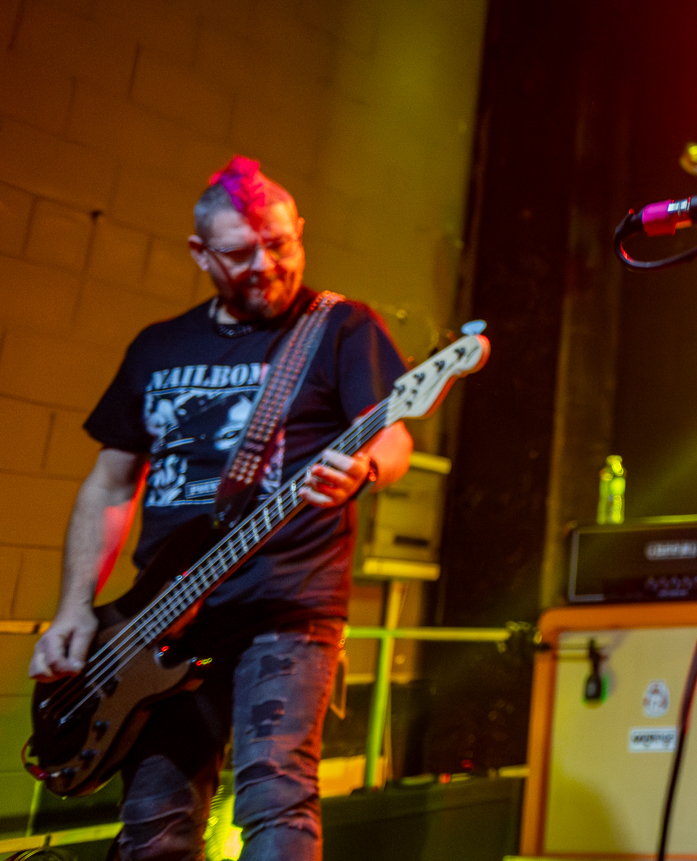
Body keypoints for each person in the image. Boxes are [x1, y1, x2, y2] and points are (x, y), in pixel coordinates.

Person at [28, 157, 412, 861]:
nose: (266, 266)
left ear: (299, 232)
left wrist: (361, 471)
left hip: (287, 604)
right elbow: (109, 484)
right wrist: (75, 607)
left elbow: (392, 435)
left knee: (275, 793)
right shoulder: (159, 345)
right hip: (160, 618)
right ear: (200, 253)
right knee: (154, 825)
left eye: (280, 244)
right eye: (240, 253)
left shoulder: (340, 327)